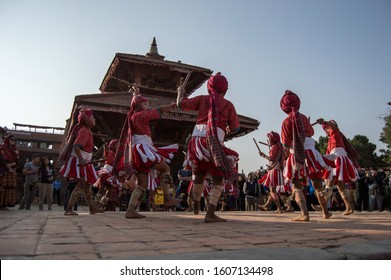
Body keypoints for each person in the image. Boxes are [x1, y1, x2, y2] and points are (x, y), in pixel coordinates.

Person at [177, 72, 240, 222]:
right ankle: (210, 214)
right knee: (218, 177)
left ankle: (196, 204)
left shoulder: (202, 99)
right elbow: (236, 128)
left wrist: (180, 92)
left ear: (208, 88)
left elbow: (181, 104)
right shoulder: (228, 105)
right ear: (225, 90)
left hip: (196, 142)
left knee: (199, 174)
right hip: (213, 141)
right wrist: (229, 130)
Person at [112, 86, 179, 218]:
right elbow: (158, 111)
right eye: (145, 103)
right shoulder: (140, 115)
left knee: (142, 184)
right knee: (165, 169)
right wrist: (172, 106)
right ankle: (166, 198)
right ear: (138, 104)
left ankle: (130, 210)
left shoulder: (133, 117)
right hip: (143, 150)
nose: (147, 105)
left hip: (136, 154)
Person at [280, 90, 332, 221]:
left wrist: (286, 152)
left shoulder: (286, 122)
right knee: (317, 184)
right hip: (312, 153)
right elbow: (312, 132)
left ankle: (304, 214)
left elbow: (286, 143)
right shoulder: (303, 118)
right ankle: (325, 212)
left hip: (297, 154)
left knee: (296, 185)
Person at [59, 108, 104, 215]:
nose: (94, 120)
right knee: (80, 185)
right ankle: (69, 209)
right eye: (92, 117)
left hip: (83, 160)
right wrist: (81, 159)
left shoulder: (86, 130)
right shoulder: (84, 131)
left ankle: (92, 208)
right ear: (87, 119)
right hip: (80, 161)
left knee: (86, 186)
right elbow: (76, 146)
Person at [317, 118, 359, 215]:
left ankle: (322, 204)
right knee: (340, 188)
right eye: (325, 129)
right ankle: (348, 207)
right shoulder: (329, 140)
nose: (326, 131)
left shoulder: (336, 132)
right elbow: (329, 156)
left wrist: (324, 122)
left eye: (326, 128)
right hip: (336, 160)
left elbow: (333, 125)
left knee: (329, 183)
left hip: (339, 161)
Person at [0, 134, 20, 210]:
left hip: (12, 171)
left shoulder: (14, 150)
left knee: (9, 188)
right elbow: (2, 158)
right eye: (11, 139)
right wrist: (8, 165)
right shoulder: (2, 148)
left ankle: (5, 204)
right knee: (2, 187)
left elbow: (17, 161)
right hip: (3, 171)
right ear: (7, 140)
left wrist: (14, 167)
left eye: (14, 140)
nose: (13, 141)